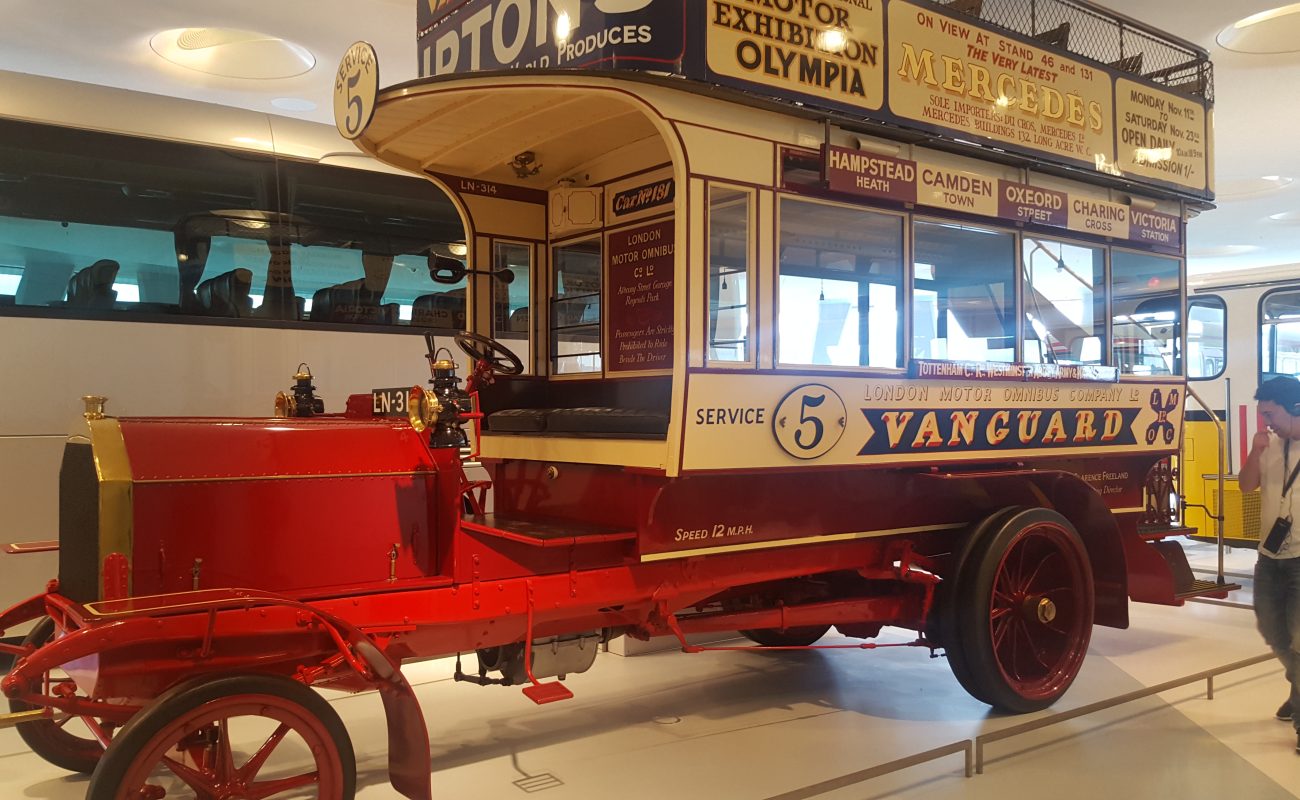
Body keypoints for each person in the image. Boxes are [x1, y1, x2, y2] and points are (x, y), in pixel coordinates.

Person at [1239, 375, 1300, 755]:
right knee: (1275, 635)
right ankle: (1297, 689)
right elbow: (1246, 486)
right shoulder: (1269, 445)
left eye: (1271, 414)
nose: (1267, 422)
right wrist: (1253, 451)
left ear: (1294, 408)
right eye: (1263, 415)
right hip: (1269, 557)